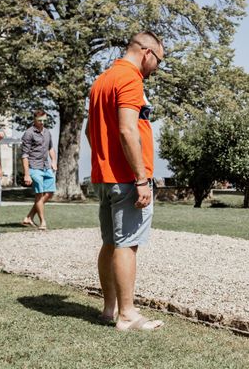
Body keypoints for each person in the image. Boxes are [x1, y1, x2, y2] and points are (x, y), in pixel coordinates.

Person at [86, 31, 165, 331]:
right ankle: (128, 314)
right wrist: (141, 179)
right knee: (127, 244)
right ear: (146, 52)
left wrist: (104, 158)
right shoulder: (131, 79)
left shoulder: (101, 80)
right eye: (158, 60)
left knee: (110, 242)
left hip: (104, 178)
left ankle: (109, 309)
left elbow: (90, 132)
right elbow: (127, 130)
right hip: (127, 179)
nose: (157, 67)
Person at [21, 109, 57, 230]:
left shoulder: (47, 132)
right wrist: (27, 174)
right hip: (34, 167)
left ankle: (29, 217)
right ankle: (42, 222)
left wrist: (54, 161)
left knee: (50, 193)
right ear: (34, 120)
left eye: (44, 120)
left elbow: (51, 148)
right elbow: (25, 155)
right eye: (39, 120)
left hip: (46, 167)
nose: (42, 123)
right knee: (39, 194)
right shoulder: (28, 133)